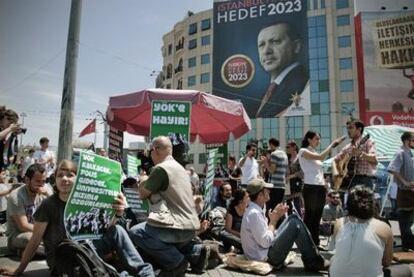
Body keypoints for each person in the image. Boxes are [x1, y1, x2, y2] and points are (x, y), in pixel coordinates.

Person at [0, 160, 154, 277]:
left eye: (70, 175)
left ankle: (145, 273)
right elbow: (35, 240)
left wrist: (118, 213)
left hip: (87, 248)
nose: (64, 179)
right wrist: (19, 270)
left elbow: (105, 228)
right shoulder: (48, 205)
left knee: (118, 230)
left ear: (78, 179)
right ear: (55, 180)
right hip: (66, 259)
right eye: (60, 175)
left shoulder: (86, 200)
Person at [128, 136, 206, 276]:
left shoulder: (161, 169)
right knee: (158, 234)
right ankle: (195, 251)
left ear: (156, 150)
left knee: (136, 232)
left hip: (176, 228)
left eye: (150, 150)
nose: (149, 154)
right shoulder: (180, 169)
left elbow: (142, 194)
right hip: (191, 228)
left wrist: (143, 178)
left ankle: (176, 262)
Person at [240, 178, 328, 271]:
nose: (269, 191)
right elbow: (265, 242)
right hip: (267, 257)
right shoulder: (254, 213)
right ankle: (312, 261)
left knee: (292, 218)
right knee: (294, 224)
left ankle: (312, 259)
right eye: (266, 190)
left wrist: (275, 218)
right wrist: (273, 221)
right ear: (260, 195)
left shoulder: (255, 210)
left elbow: (264, 237)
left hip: (265, 252)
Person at [330, 186, 411, 277]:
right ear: (373, 204)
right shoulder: (384, 227)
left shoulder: (339, 223)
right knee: (406, 271)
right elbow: (386, 262)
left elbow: (334, 250)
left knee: (333, 259)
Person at [298, 131, 344, 247]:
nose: (319, 141)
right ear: (309, 139)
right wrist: (332, 145)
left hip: (319, 187)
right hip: (310, 187)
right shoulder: (303, 151)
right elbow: (321, 157)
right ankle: (306, 243)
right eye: (316, 139)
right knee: (310, 216)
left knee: (317, 216)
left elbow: (319, 166)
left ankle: (315, 243)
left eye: (319, 139)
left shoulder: (314, 151)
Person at [255, 22, 309, 118]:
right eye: (261, 45)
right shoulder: (270, 90)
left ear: (296, 46)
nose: (267, 51)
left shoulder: (302, 84)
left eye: (275, 41)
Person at [6, 163, 53, 254]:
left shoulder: (45, 191)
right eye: (38, 181)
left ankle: (27, 252)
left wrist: (48, 195)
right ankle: (54, 254)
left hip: (38, 232)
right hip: (19, 235)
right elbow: (23, 226)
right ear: (27, 180)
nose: (41, 185)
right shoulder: (16, 196)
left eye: (43, 181)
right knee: (31, 238)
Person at [387, 131, 414, 251]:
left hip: (411, 191)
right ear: (407, 140)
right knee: (405, 221)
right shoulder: (400, 153)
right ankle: (407, 246)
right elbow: (392, 169)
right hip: (404, 192)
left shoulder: (410, 153)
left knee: (409, 221)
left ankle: (409, 245)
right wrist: (404, 182)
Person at [333, 119, 377, 190]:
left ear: (359, 129)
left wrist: (360, 153)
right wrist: (340, 172)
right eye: (347, 128)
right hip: (350, 181)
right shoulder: (347, 147)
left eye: (351, 128)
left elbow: (374, 160)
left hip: (365, 180)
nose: (348, 130)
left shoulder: (368, 142)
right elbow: (336, 160)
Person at [263, 138, 288, 217]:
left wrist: (266, 163)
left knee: (270, 209)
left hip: (274, 186)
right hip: (282, 185)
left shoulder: (274, 154)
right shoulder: (284, 154)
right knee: (278, 209)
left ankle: (271, 227)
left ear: (271, 144)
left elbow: (272, 170)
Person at [220, 188, 249, 252]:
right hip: (234, 237)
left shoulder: (248, 210)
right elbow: (228, 229)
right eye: (247, 197)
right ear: (241, 200)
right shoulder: (232, 211)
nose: (249, 199)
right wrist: (240, 235)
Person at [285, 140, 304, 217]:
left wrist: (290, 176)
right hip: (288, 184)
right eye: (286, 147)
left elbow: (302, 172)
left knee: (297, 205)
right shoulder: (287, 159)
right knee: (288, 206)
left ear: (294, 147)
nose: (287, 149)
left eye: (288, 147)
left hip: (297, 183)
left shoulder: (300, 158)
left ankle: (300, 222)